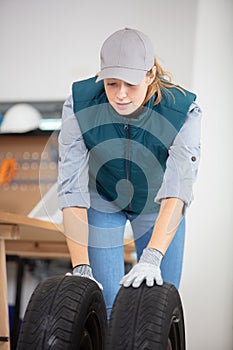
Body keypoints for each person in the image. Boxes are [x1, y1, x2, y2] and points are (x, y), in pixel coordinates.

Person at [57, 27, 202, 319]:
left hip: (157, 201)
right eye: (111, 84)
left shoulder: (183, 109)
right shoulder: (79, 102)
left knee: (159, 304)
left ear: (150, 76)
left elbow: (178, 187)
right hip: (104, 198)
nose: (121, 95)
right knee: (104, 304)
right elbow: (71, 186)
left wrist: (151, 257)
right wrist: (81, 266)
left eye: (131, 85)